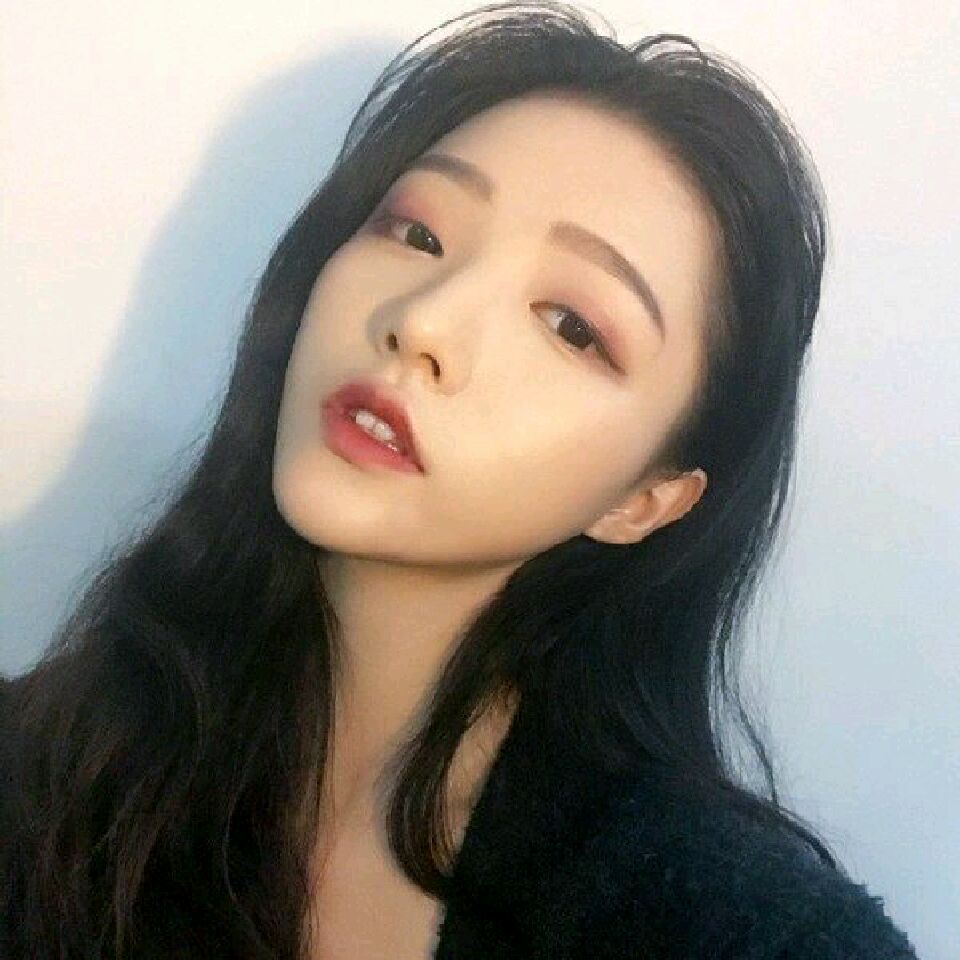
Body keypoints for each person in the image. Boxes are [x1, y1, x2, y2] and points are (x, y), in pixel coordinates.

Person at [0, 2, 922, 957]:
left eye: (570, 326)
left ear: (646, 499)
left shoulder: (747, 933)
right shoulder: (36, 778)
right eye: (416, 233)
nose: (423, 322)